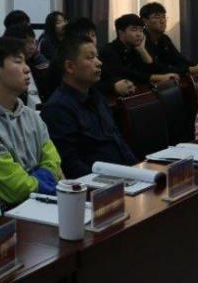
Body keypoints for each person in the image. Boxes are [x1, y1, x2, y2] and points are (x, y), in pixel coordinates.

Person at [0, 37, 63, 204]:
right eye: (18, 62)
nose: (27, 69)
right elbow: (16, 189)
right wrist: (45, 179)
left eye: (26, 62)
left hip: (45, 203)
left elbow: (55, 162)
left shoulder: (30, 115)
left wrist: (39, 180)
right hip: (8, 214)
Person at [42, 36, 137, 179]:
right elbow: (70, 165)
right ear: (70, 67)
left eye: (97, 57)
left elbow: (117, 141)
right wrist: (113, 182)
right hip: (96, 184)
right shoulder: (57, 109)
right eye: (90, 58)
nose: (99, 63)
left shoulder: (97, 96)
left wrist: (136, 170)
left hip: (123, 177)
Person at [97, 14, 179, 97]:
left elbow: (154, 70)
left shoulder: (135, 48)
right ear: (121, 32)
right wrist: (158, 78)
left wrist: (142, 50)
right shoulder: (109, 50)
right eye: (134, 30)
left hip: (137, 94)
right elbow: (127, 74)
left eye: (141, 30)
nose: (139, 34)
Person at [140, 2, 198, 78]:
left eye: (164, 17)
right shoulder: (140, 40)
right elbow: (157, 68)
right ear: (145, 21)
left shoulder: (164, 39)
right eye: (156, 17)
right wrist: (188, 70)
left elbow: (179, 59)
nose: (162, 21)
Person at [4, 24, 47, 104]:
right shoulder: (7, 71)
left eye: (33, 42)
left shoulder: (35, 62)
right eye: (26, 43)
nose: (32, 47)